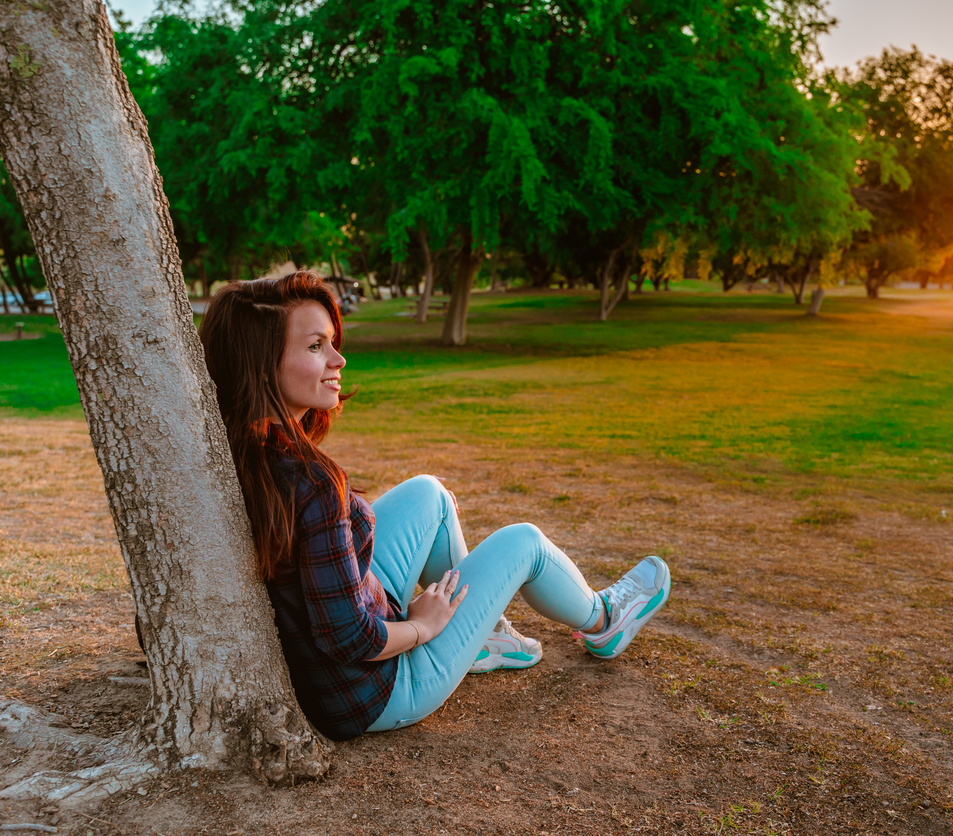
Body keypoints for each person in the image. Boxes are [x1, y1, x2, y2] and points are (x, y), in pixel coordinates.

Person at [197, 271, 671, 741]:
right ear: (262, 363)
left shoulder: (235, 446)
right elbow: (348, 639)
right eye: (316, 346)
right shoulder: (312, 482)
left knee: (430, 494)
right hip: (375, 690)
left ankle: (483, 639)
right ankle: (603, 621)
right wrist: (425, 626)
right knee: (523, 543)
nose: (339, 359)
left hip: (333, 653)